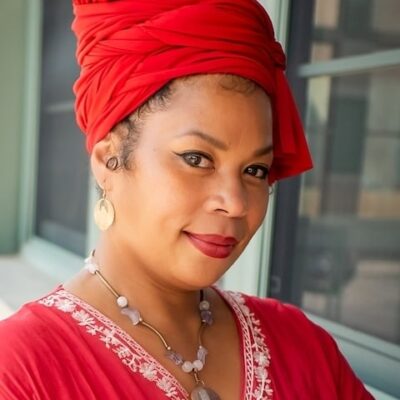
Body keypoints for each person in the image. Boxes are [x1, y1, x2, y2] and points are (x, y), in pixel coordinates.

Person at [0, 1, 374, 399]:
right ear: (109, 160)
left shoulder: (302, 346)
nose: (236, 203)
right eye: (197, 159)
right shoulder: (22, 371)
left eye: (255, 170)